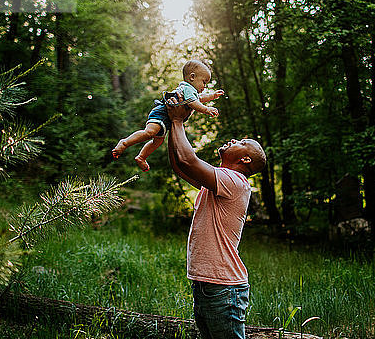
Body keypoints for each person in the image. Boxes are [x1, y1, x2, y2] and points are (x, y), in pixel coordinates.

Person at [165, 94, 266, 339]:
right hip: (208, 285)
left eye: (241, 141)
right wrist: (170, 124)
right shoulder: (219, 181)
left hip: (223, 287)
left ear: (245, 159)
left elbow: (189, 159)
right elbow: (180, 165)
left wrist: (178, 122)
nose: (233, 139)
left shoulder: (236, 182)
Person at [112, 60, 224, 171]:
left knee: (158, 141)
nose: (204, 86)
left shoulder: (192, 92)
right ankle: (125, 143)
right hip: (161, 114)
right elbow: (193, 103)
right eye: (204, 82)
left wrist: (212, 96)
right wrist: (206, 109)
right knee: (150, 133)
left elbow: (200, 98)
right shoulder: (187, 89)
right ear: (192, 77)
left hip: (166, 120)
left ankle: (142, 157)